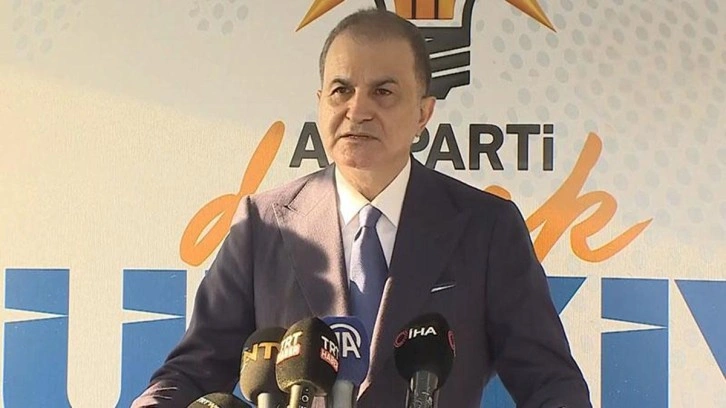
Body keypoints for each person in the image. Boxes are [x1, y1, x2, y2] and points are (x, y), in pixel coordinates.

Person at [133, 8, 592, 408]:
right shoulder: (263, 225)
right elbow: (191, 374)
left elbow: (551, 383)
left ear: (423, 113)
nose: (357, 110)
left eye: (383, 92)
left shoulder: (486, 228)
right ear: (320, 104)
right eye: (341, 90)